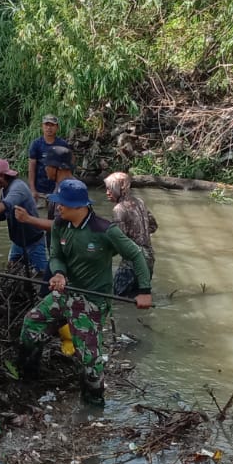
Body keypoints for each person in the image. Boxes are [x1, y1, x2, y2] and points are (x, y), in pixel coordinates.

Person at [16, 179, 153, 403]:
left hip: (93, 300)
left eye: (63, 204)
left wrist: (144, 290)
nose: (58, 207)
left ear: (79, 206)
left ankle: (93, 404)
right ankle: (28, 380)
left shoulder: (105, 230)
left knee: (89, 358)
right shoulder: (60, 225)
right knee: (31, 323)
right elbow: (56, 256)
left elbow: (136, 255)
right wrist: (59, 274)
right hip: (66, 293)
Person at [103, 172, 158, 298]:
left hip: (131, 263)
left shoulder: (119, 209)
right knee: (139, 298)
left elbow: (118, 240)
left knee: (118, 299)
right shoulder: (140, 202)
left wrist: (103, 253)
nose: (107, 193)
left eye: (110, 189)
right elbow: (153, 226)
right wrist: (140, 234)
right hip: (149, 259)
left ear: (120, 189)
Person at [15, 152, 76, 232]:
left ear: (58, 168)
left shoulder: (67, 189)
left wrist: (28, 218)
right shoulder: (63, 184)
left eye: (48, 165)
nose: (45, 169)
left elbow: (60, 227)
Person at [26, 115, 71, 203]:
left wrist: (63, 189)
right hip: (39, 191)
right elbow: (31, 169)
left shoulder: (63, 145)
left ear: (57, 127)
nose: (49, 128)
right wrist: (32, 190)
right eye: (46, 125)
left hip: (58, 190)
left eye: (52, 125)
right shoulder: (36, 144)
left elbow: (67, 170)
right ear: (42, 126)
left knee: (58, 211)